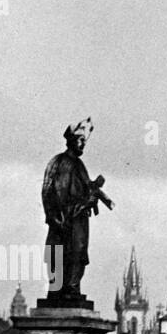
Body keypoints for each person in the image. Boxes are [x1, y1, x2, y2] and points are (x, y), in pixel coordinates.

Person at [42, 117, 112, 300]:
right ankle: (59, 289)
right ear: (71, 140)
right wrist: (54, 215)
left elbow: (84, 188)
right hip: (65, 218)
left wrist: (93, 189)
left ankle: (71, 289)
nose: (83, 144)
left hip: (78, 218)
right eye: (80, 140)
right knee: (61, 253)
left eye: (84, 141)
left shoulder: (79, 165)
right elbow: (49, 190)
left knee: (77, 254)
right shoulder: (59, 162)